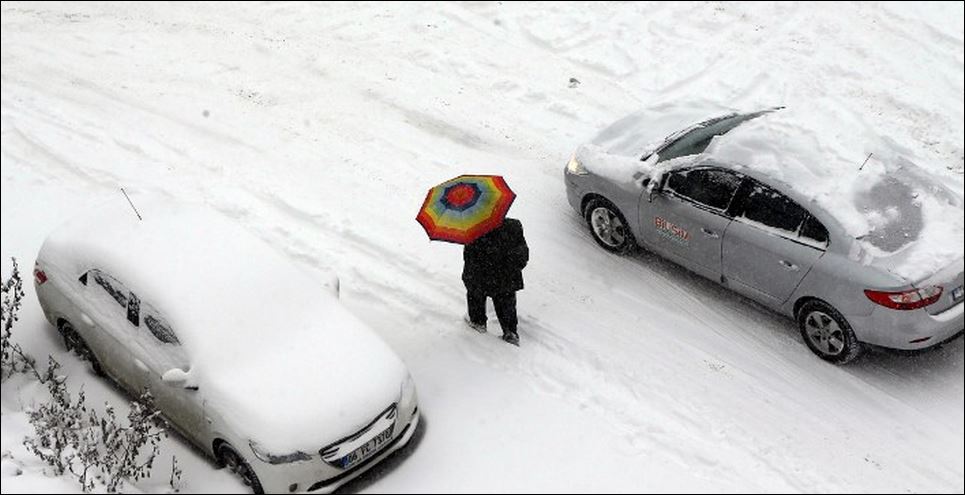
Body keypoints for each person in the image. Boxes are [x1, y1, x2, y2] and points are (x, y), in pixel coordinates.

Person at [462, 217, 529, 346]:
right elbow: (522, 254)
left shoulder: (473, 229)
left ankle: (478, 322)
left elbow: (469, 258)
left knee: (475, 296)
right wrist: (512, 269)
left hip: (479, 278)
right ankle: (510, 332)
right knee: (507, 305)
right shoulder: (513, 225)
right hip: (506, 279)